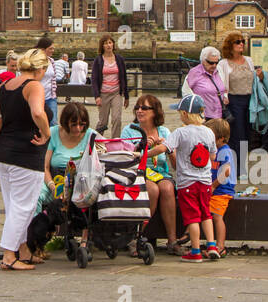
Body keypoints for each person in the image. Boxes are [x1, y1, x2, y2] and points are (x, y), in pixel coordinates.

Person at [0, 48, 51, 270]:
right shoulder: (34, 86)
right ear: (40, 69)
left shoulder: (5, 86)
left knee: (14, 205)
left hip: (4, 154)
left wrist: (11, 115)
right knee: (23, 207)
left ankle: (23, 250)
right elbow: (38, 113)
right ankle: (8, 255)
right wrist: (46, 133)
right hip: (26, 154)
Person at [148, 103, 219, 262]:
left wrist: (145, 154)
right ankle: (212, 246)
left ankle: (195, 251)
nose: (180, 116)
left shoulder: (180, 132)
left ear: (186, 114)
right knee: (205, 214)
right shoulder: (209, 132)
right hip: (205, 182)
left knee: (193, 217)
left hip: (188, 183)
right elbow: (213, 157)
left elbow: (163, 149)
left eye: (180, 113)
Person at [123, 94, 178, 253]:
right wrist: (141, 146)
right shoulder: (129, 130)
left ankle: (172, 241)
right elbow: (124, 157)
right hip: (138, 171)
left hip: (160, 172)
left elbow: (174, 165)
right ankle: (136, 237)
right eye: (137, 108)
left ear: (155, 111)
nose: (139, 111)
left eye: (144, 108)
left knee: (167, 189)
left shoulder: (164, 131)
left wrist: (167, 148)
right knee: (152, 190)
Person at [40, 101, 97, 219]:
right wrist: (52, 186)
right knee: (37, 195)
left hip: (81, 183)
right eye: (74, 125)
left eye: (82, 125)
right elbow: (44, 166)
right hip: (55, 179)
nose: (78, 128)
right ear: (66, 123)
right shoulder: (53, 132)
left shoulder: (90, 135)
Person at [216, 32, 261, 171]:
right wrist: (225, 97)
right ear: (230, 46)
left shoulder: (249, 60)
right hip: (234, 101)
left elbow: (255, 82)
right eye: (237, 42)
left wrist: (260, 76)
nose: (241, 44)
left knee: (248, 133)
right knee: (238, 134)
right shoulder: (224, 63)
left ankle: (241, 165)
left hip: (250, 100)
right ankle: (238, 168)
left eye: (242, 41)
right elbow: (221, 83)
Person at [91, 35, 129, 139]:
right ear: (102, 46)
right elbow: (94, 80)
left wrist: (126, 96)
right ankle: (95, 141)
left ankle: (115, 141)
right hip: (103, 93)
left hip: (116, 93)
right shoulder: (98, 60)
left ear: (113, 44)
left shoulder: (119, 59)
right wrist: (97, 96)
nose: (108, 45)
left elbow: (124, 77)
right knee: (103, 122)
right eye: (106, 43)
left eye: (110, 42)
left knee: (117, 119)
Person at [207, 117, 235, 255]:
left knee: (217, 217)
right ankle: (211, 245)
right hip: (214, 189)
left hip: (222, 190)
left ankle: (220, 246)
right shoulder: (213, 151)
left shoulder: (224, 151)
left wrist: (213, 186)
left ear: (221, 139)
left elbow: (226, 171)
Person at [184, 45, 226, 120]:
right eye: (211, 63)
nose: (214, 65)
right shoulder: (195, 72)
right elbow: (186, 92)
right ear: (203, 60)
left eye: (216, 62)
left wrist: (225, 96)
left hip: (220, 115)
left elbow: (224, 87)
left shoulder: (219, 70)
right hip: (203, 116)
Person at [35, 36, 59, 126]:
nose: (53, 50)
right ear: (42, 49)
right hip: (37, 97)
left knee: (53, 122)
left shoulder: (51, 61)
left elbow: (53, 79)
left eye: (53, 48)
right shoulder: (35, 61)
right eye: (50, 48)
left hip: (50, 97)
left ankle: (52, 140)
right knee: (38, 122)